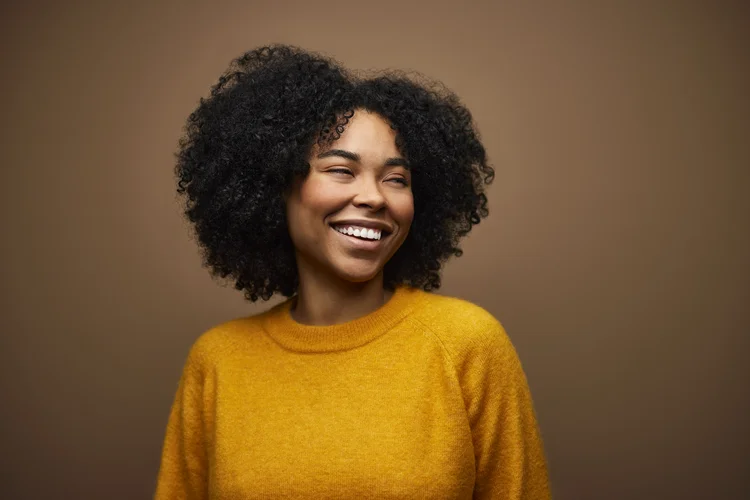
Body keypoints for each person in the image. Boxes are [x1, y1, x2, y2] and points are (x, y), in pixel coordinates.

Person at [154, 44, 550, 499]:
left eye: (396, 179)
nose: (375, 197)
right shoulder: (218, 360)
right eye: (342, 170)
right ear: (274, 186)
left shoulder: (468, 343)